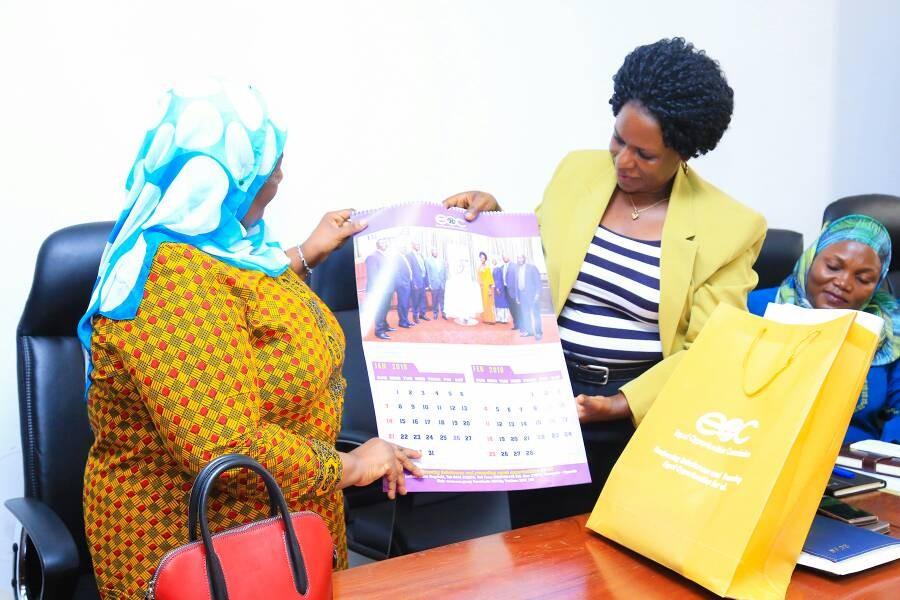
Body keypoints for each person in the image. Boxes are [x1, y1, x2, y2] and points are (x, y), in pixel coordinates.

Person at [78, 82, 423, 599]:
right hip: (201, 554)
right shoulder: (171, 280)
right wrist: (352, 466)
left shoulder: (222, 244)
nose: (279, 177)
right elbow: (225, 445)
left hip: (278, 530)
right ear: (226, 173)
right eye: (270, 165)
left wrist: (306, 253)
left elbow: (238, 308)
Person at [444, 38, 766, 526]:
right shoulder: (578, 171)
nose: (623, 161)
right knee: (537, 552)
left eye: (645, 154)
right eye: (618, 139)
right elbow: (536, 260)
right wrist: (492, 217)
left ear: (684, 150)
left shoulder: (730, 226)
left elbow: (712, 348)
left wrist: (619, 404)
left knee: (623, 559)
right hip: (547, 398)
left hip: (642, 413)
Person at [749, 214, 899, 444]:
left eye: (863, 278)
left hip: (853, 461)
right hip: (759, 445)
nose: (844, 283)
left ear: (876, 286)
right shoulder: (753, 308)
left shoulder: (889, 330)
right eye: (833, 267)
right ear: (810, 260)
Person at [365, 238, 394, 339]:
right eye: (383, 242)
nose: (385, 244)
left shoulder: (385, 255)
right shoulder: (372, 256)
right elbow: (373, 276)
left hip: (387, 288)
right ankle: (379, 331)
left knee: (385, 308)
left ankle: (385, 326)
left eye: (386, 242)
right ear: (377, 244)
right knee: (380, 309)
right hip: (379, 290)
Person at [509, 254, 543, 340]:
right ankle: (529, 331)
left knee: (535, 314)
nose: (519, 259)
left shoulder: (531, 268)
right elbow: (516, 284)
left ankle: (538, 332)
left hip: (532, 295)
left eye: (520, 257)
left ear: (524, 258)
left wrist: (537, 294)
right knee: (525, 314)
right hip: (522, 295)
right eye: (518, 258)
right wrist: (517, 296)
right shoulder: (517, 269)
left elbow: (538, 282)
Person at [444, 259, 483, 325]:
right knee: (463, 301)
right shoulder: (461, 266)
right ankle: (464, 316)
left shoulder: (468, 267)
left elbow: (470, 275)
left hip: (467, 285)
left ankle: (466, 316)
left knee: (467, 301)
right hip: (462, 285)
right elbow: (457, 273)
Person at [394, 243, 415, 328]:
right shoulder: (396, 257)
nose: (404, 249)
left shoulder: (404, 256)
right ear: (399, 248)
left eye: (405, 247)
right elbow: (396, 272)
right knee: (402, 304)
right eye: (403, 247)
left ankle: (405, 320)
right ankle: (402, 322)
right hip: (402, 284)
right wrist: (402, 283)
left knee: (406, 303)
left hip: (407, 283)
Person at [409, 240, 430, 322]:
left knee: (422, 299)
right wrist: (413, 282)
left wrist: (426, 281)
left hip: (423, 280)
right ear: (412, 245)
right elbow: (410, 270)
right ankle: (415, 316)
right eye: (416, 244)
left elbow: (424, 268)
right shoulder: (409, 255)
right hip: (416, 282)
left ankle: (422, 314)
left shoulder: (420, 255)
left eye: (419, 244)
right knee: (416, 300)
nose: (418, 246)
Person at [425, 247, 447, 319]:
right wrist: (429, 284)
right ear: (431, 253)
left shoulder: (442, 260)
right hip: (434, 283)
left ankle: (444, 313)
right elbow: (428, 273)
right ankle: (435, 313)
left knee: (442, 299)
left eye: (436, 251)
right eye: (434, 251)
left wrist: (445, 281)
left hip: (442, 283)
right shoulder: (428, 261)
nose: (435, 253)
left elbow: (445, 272)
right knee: (435, 299)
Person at [477, 251, 496, 323]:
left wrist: (489, 289)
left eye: (483, 258)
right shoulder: (479, 266)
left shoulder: (487, 267)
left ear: (485, 259)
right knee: (483, 303)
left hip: (487, 287)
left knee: (488, 303)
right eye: (481, 257)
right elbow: (478, 276)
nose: (482, 259)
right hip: (481, 287)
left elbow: (490, 278)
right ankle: (484, 318)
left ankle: (490, 319)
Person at [492, 257, 511, 324]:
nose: (493, 261)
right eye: (492, 260)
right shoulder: (495, 268)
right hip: (497, 287)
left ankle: (503, 318)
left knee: (502, 303)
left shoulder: (498, 268)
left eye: (494, 260)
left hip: (499, 287)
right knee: (498, 303)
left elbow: (499, 279)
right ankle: (499, 318)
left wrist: (498, 288)